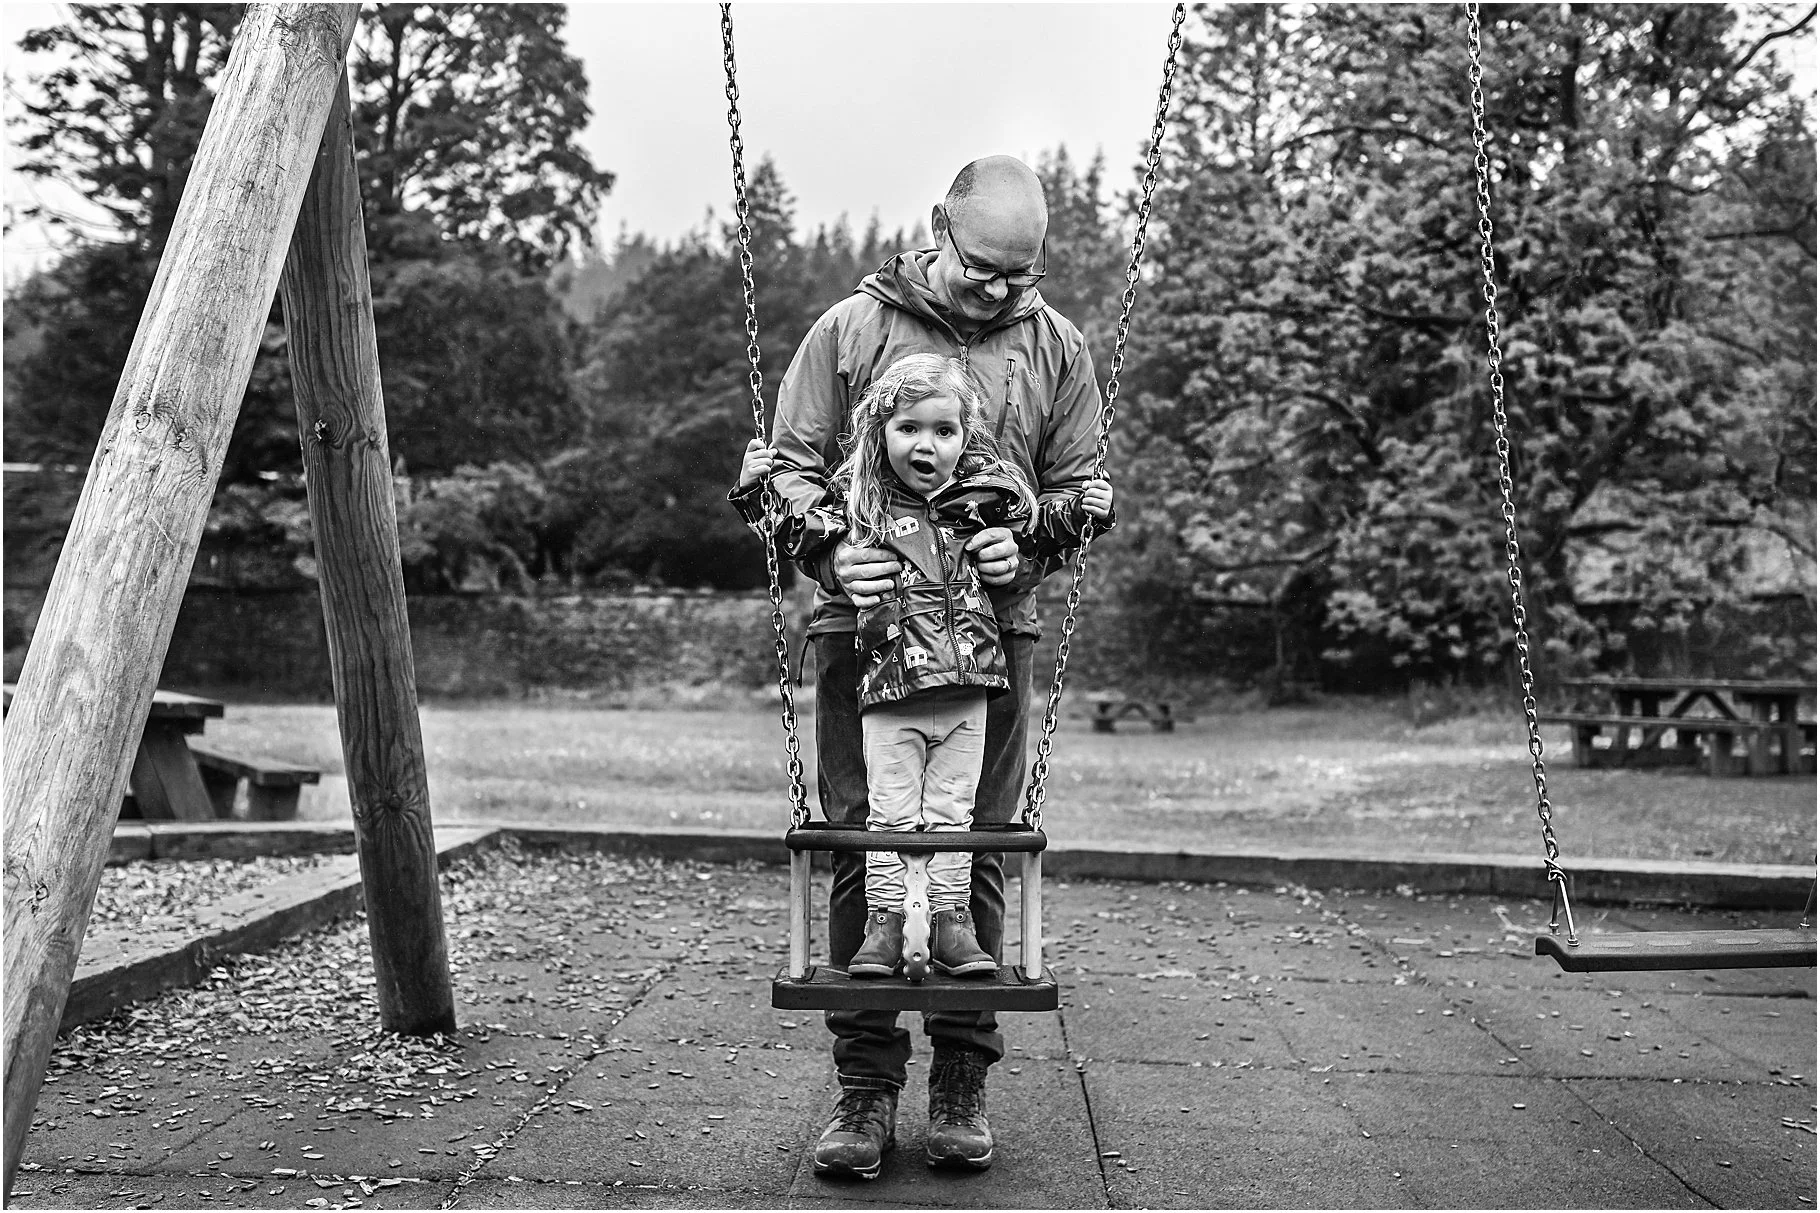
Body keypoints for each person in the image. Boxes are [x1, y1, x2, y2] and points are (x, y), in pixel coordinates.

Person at [760, 155, 1117, 1179]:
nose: (1005, 291)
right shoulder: (849, 331)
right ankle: (865, 1087)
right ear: (936, 227)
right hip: (862, 628)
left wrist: (1033, 544)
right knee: (856, 837)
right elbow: (784, 468)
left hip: (989, 640)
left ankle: (960, 1075)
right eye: (986, 268)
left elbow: (1084, 487)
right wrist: (831, 547)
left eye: (1022, 273)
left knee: (980, 841)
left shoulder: (1055, 347)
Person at [735, 356, 1112, 1004]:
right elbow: (797, 528)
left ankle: (951, 921)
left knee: (951, 815)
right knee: (888, 815)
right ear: (882, 431)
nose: (926, 444)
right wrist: (756, 491)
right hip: (889, 691)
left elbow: (1041, 530)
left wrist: (1089, 510)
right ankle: (883, 924)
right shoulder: (865, 507)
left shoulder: (984, 507)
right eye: (909, 427)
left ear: (967, 436)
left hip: (968, 690)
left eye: (944, 430)